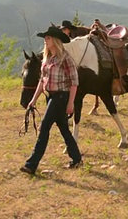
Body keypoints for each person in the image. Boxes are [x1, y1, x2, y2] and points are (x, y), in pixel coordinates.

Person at [20, 26, 83, 175]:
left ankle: (31, 164)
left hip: (61, 96)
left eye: (48, 38)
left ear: (55, 41)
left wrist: (71, 103)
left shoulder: (66, 58)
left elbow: (74, 82)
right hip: (50, 96)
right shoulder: (46, 59)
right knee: (64, 129)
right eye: (45, 38)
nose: (45, 41)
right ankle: (77, 158)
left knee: (44, 127)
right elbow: (42, 81)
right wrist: (33, 100)